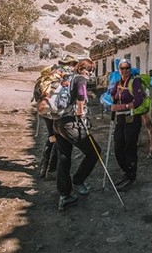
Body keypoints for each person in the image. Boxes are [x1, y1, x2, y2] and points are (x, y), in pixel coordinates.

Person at [53, 58, 100, 211]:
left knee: (64, 157)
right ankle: (78, 181)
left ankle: (64, 195)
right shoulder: (80, 79)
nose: (90, 73)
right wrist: (80, 113)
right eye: (90, 69)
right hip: (70, 123)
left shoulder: (67, 78)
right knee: (94, 151)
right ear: (83, 69)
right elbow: (80, 96)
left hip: (58, 122)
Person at [37, 55, 78, 178]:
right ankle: (50, 169)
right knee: (55, 139)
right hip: (54, 112)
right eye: (71, 64)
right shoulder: (62, 76)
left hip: (47, 112)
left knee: (52, 137)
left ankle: (45, 167)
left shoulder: (52, 74)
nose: (72, 66)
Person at [109, 59, 144, 191]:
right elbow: (112, 94)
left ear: (130, 69)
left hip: (132, 118)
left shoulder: (134, 82)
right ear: (119, 70)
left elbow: (139, 100)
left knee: (130, 147)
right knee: (118, 148)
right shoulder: (118, 83)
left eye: (127, 68)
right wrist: (111, 98)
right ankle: (127, 171)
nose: (124, 71)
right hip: (120, 118)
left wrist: (122, 106)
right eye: (122, 68)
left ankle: (131, 176)